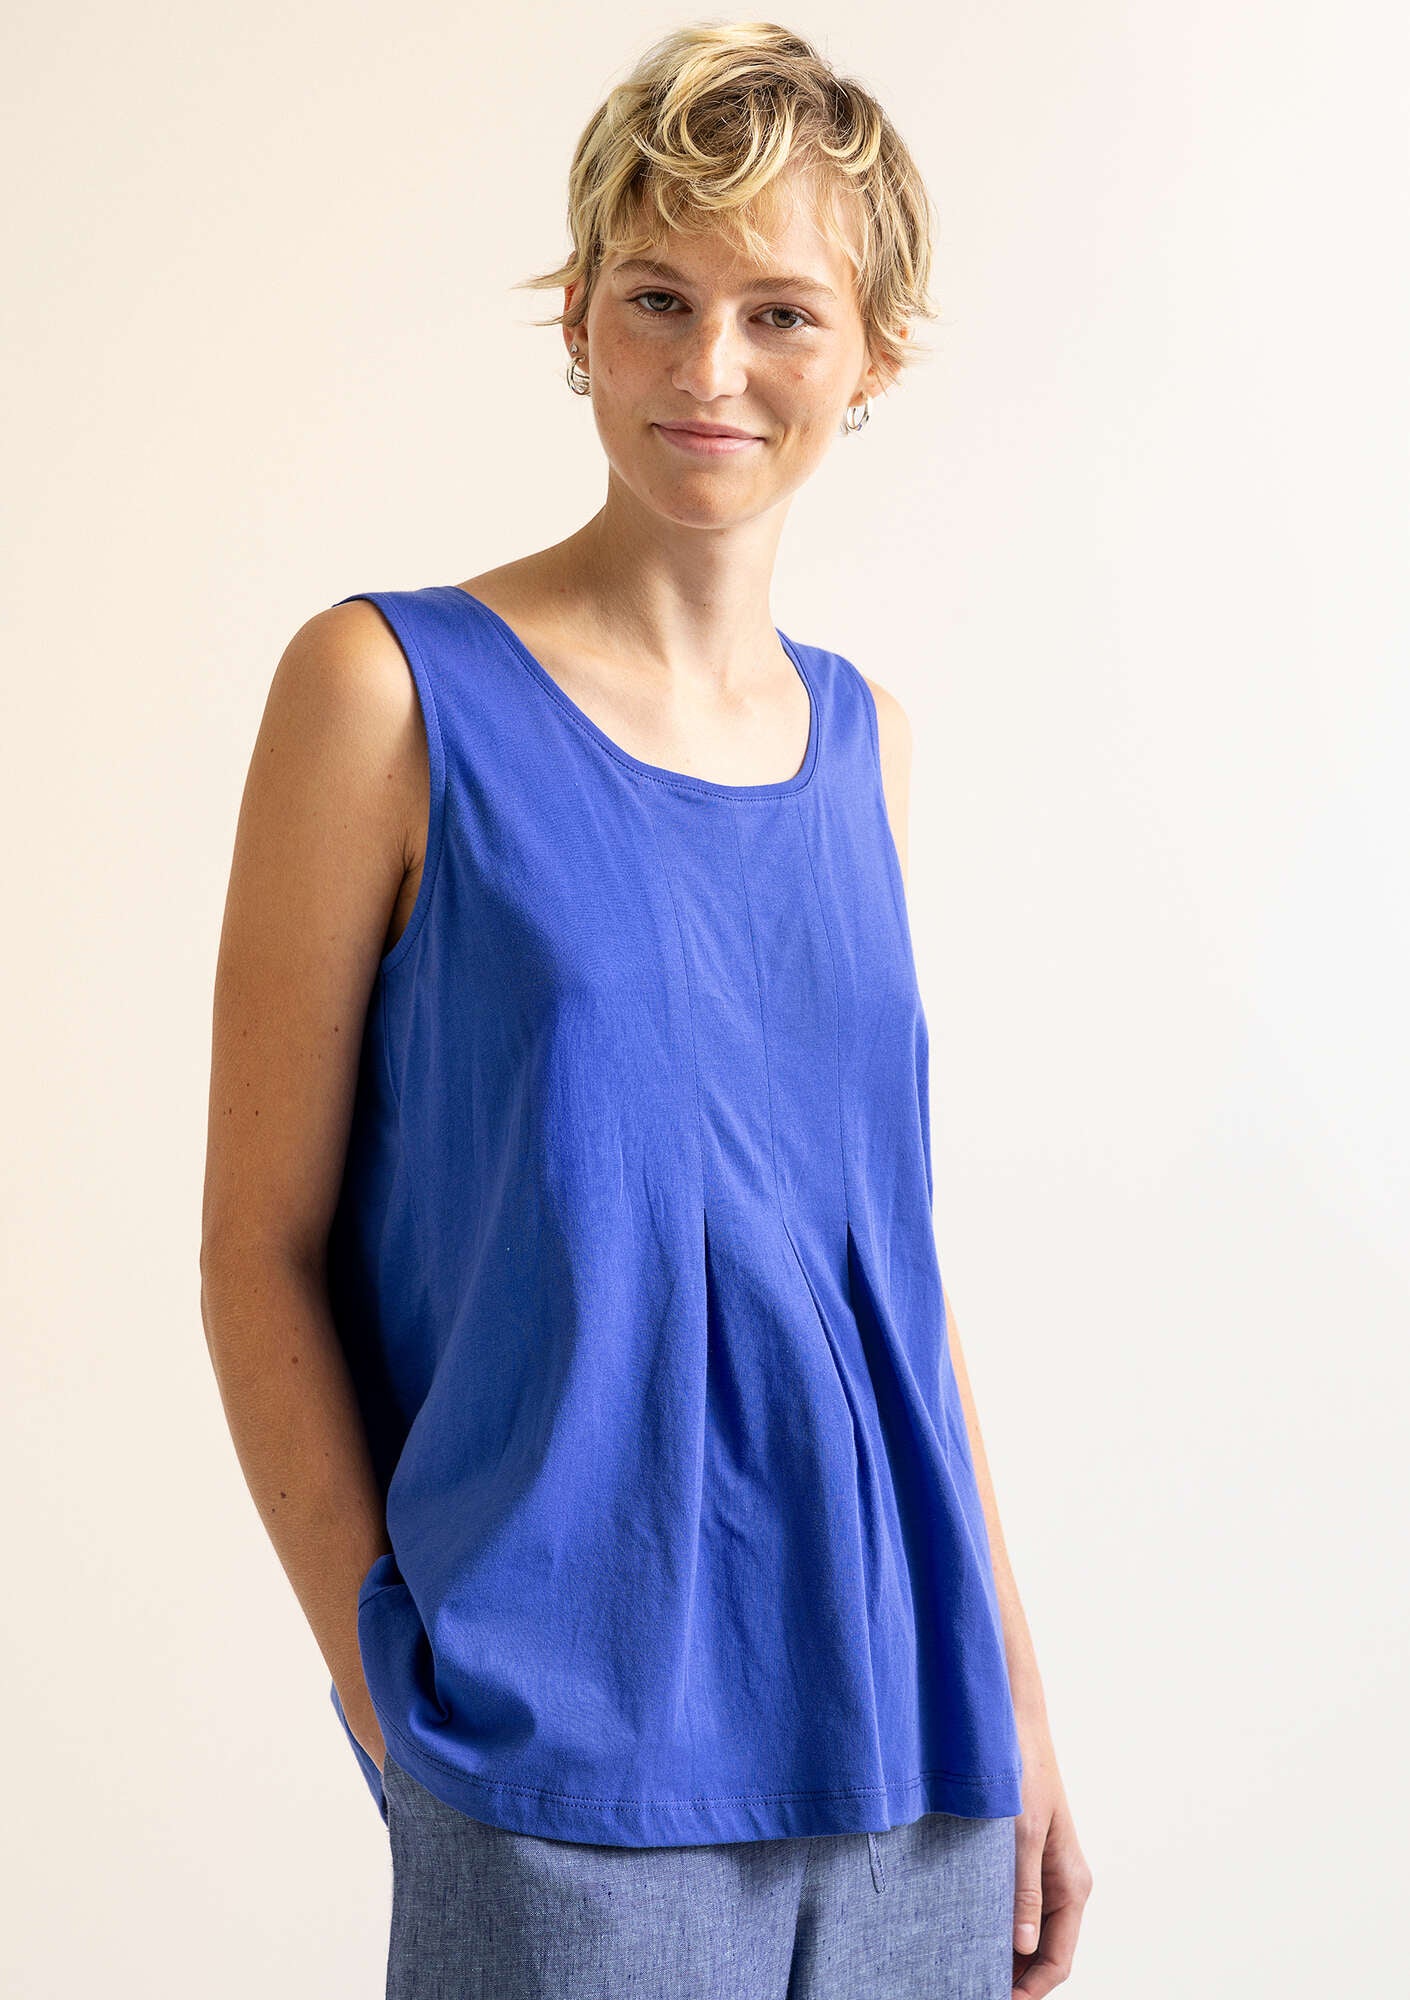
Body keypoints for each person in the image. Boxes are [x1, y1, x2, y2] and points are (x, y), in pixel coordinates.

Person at [200, 20, 1091, 1998]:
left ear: (872, 357)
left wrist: (1014, 1695)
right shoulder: (384, 692)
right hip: (560, 1762)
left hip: (916, 1760)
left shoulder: (868, 748)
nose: (708, 369)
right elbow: (254, 1247)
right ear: (579, 318)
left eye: (781, 312)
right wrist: (393, 1696)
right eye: (657, 298)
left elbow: (883, 1265)